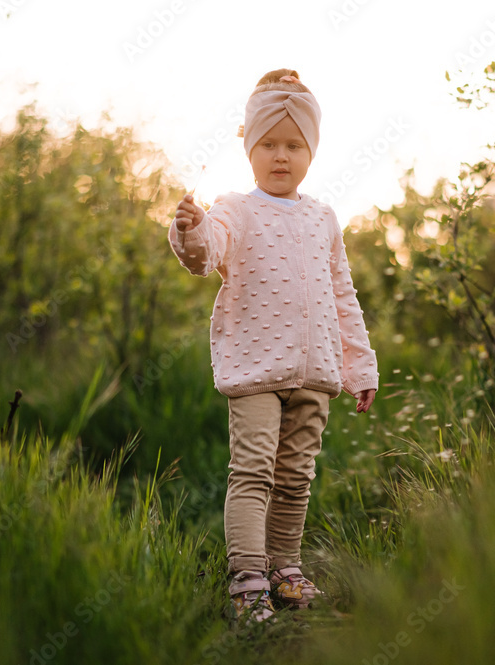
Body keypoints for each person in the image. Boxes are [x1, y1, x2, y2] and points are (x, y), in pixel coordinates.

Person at [168, 68, 378, 623]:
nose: (280, 156)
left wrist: (360, 366)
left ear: (311, 151)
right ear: (248, 147)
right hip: (255, 370)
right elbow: (204, 254)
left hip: (316, 374)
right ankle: (247, 580)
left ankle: (286, 570)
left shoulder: (323, 217)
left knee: (295, 478)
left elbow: (342, 295)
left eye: (293, 145)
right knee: (254, 472)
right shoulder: (235, 208)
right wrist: (190, 229)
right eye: (267, 144)